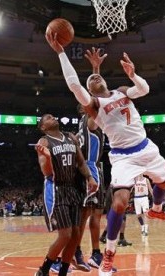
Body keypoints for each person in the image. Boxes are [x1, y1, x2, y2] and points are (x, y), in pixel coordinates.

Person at [45, 33, 165, 276]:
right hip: (122, 156)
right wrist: (61, 52)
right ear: (89, 92)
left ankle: (156, 209)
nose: (93, 77)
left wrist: (132, 74)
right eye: (90, 79)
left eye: (96, 75)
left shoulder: (122, 90)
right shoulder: (93, 106)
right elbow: (74, 84)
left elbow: (144, 89)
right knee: (118, 204)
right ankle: (108, 255)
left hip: (146, 147)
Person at [34, 114, 97, 276]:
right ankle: (43, 270)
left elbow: (81, 162)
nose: (53, 117)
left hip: (73, 189)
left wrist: (89, 177)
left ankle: (63, 271)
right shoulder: (44, 142)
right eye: (48, 117)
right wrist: (48, 158)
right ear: (43, 127)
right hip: (56, 189)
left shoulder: (70, 137)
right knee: (65, 234)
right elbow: (46, 172)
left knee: (75, 236)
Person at [72, 103, 109, 271]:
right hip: (89, 168)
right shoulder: (89, 119)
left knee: (95, 213)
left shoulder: (83, 122)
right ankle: (76, 251)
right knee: (85, 214)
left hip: (94, 168)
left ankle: (95, 254)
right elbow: (95, 105)